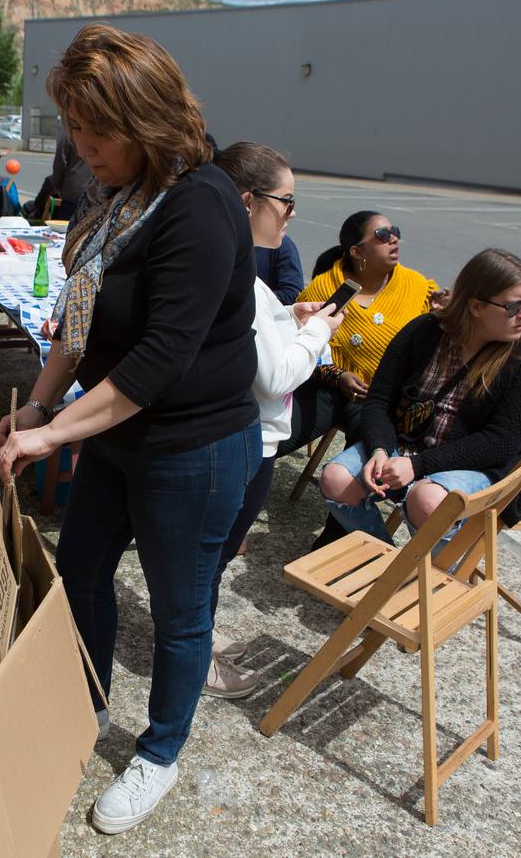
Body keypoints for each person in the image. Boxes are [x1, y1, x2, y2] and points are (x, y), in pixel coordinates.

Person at [0, 24, 261, 833]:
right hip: (116, 436)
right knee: (78, 571)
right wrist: (38, 406)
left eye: (95, 130)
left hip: (195, 447)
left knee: (182, 611)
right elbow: (78, 329)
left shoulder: (201, 205)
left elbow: (157, 362)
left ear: (147, 119)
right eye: (73, 128)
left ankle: (160, 753)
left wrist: (50, 437)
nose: (80, 148)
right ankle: (89, 700)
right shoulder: (114, 198)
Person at [200, 142, 344, 696]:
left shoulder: (246, 274)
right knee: (211, 558)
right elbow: (274, 377)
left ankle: (202, 638)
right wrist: (317, 332)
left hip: (252, 441)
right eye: (286, 200)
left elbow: (257, 334)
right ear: (246, 200)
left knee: (217, 555)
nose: (290, 213)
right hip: (244, 441)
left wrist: (291, 316)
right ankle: (197, 654)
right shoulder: (238, 277)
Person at [320, 248, 521, 547]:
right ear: (476, 307)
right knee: (336, 480)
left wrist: (417, 466)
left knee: (427, 500)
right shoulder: (425, 331)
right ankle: (389, 563)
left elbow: (499, 443)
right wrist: (379, 449)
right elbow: (380, 399)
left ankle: (430, 575)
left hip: (477, 467)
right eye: (514, 306)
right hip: (405, 449)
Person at [279, 211, 440, 545]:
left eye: (394, 232)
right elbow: (303, 343)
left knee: (366, 441)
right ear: (357, 251)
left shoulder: (416, 286)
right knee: (273, 434)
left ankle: (339, 540)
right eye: (382, 235)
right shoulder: (326, 286)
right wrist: (338, 376)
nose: (393, 239)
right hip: (328, 388)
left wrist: (445, 310)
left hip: (383, 400)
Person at [27, 133, 91, 221]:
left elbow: (59, 165)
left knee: (66, 230)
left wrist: (59, 188)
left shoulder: (69, 135)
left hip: (72, 193)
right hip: (95, 193)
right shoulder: (100, 133)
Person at [257, 233, 305, 304]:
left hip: (264, 311)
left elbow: (293, 294)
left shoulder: (282, 244)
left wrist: (256, 299)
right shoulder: (236, 240)